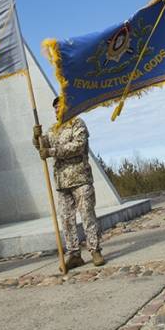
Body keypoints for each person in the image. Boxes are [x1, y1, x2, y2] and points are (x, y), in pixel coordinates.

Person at [33, 98, 105, 270]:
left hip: (80, 178)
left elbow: (78, 146)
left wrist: (52, 151)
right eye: (55, 108)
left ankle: (95, 250)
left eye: (60, 107)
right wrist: (36, 137)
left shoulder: (77, 123)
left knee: (87, 215)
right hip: (62, 182)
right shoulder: (53, 130)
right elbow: (42, 146)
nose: (58, 110)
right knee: (66, 219)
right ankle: (74, 254)